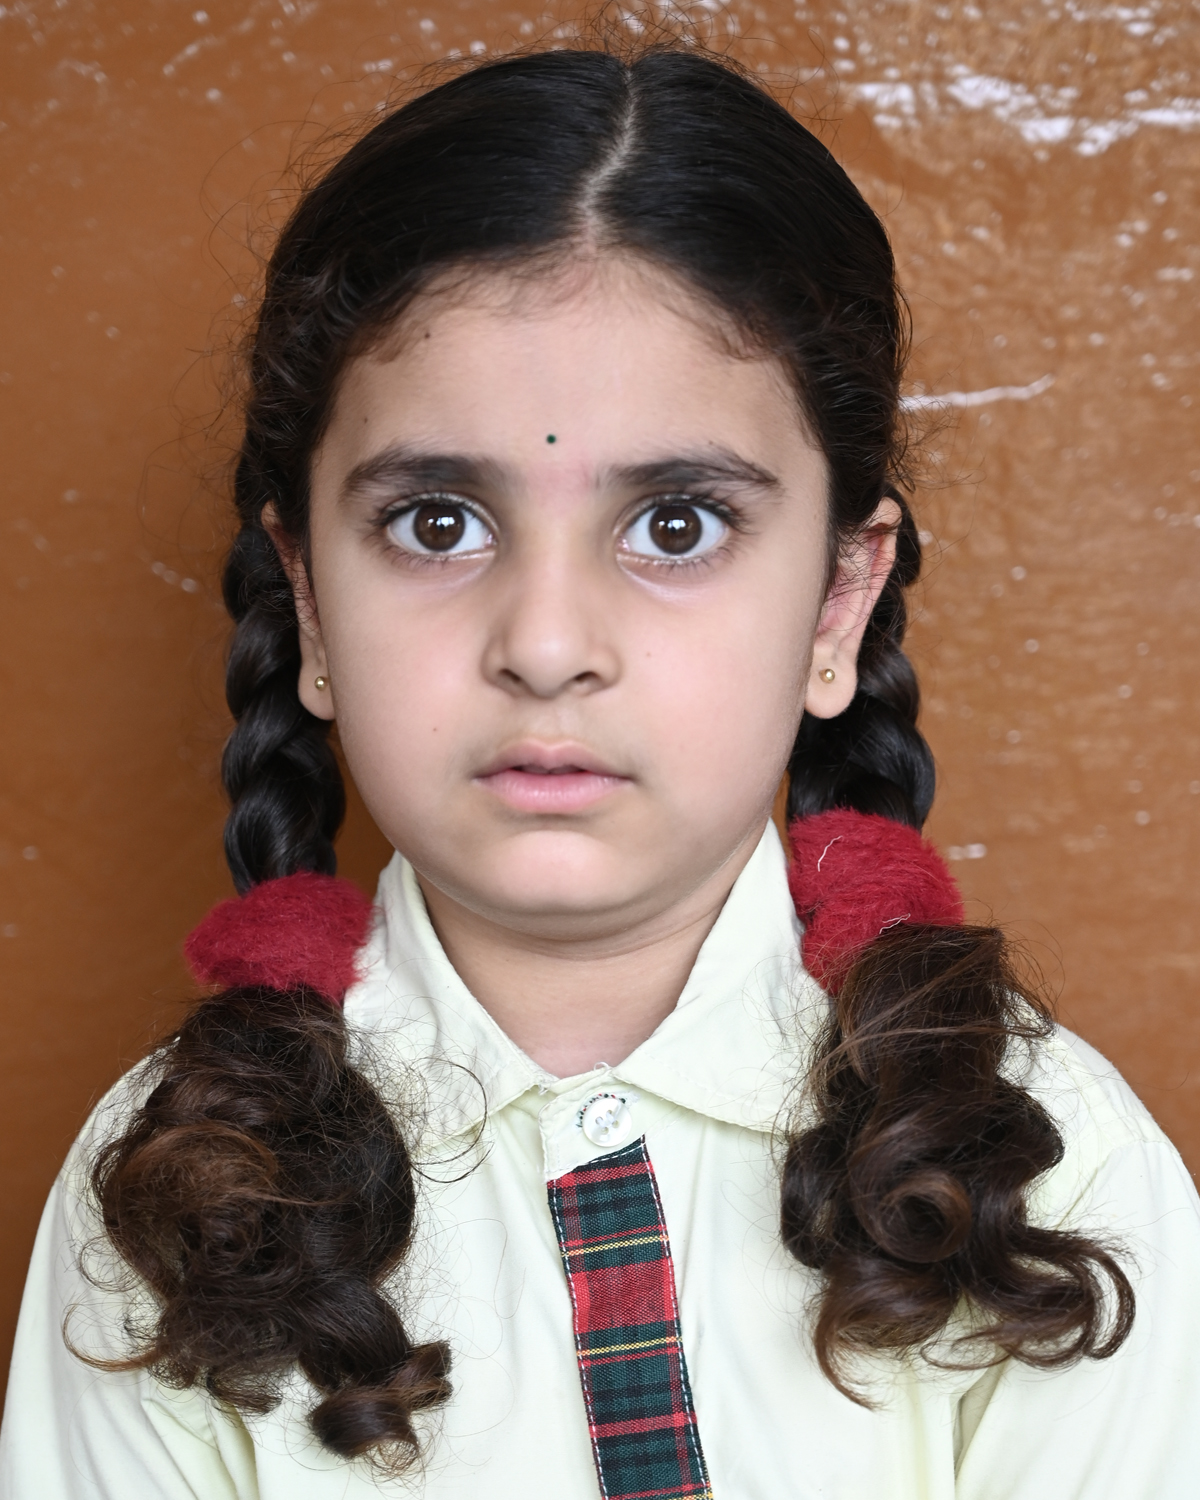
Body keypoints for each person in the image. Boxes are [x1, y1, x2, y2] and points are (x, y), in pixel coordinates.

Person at [3, 39, 1198, 1500]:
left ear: (840, 601)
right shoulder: (172, 1196)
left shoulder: (1052, 1172)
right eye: (438, 523)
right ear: (307, 598)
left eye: (676, 526)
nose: (549, 645)